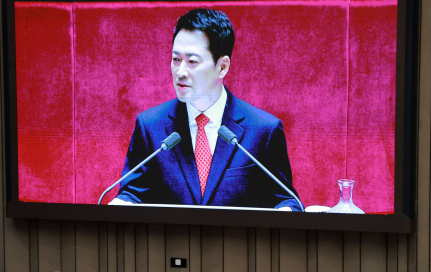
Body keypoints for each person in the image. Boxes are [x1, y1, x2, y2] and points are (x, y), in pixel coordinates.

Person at [111, 8, 301, 211]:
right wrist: (119, 205)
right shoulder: (150, 127)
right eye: (176, 59)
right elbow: (132, 193)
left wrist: (287, 211)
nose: (180, 72)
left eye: (192, 61)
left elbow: (285, 199)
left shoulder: (263, 130)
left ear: (222, 67)